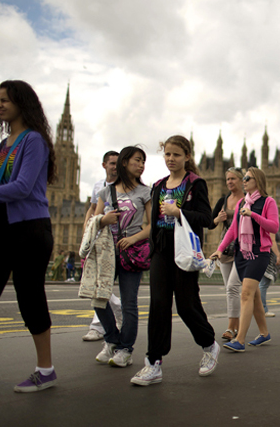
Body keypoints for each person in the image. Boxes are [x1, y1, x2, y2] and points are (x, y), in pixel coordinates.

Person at [131, 136, 218, 385]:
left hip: (184, 250)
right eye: (167, 154)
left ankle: (209, 345)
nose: (171, 159)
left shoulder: (195, 184)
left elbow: (206, 218)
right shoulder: (158, 186)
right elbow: (154, 221)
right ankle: (154, 362)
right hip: (161, 250)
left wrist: (179, 212)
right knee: (158, 304)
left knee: (186, 304)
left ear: (187, 157)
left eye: (176, 155)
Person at [0, 80, 57, 392]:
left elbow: (23, 187)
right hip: (0, 227)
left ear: (22, 103)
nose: (0, 104)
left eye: (6, 100)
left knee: (29, 298)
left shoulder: (34, 141)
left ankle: (45, 370)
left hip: (30, 228)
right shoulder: (3, 146)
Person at [92, 146, 152, 368]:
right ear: (124, 162)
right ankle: (111, 340)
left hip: (130, 252)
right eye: (137, 160)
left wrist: (134, 239)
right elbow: (94, 221)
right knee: (98, 298)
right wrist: (102, 220)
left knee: (129, 304)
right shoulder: (106, 193)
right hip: (107, 251)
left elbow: (152, 226)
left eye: (143, 162)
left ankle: (125, 349)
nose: (141, 165)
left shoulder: (145, 192)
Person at [212, 167, 278, 352]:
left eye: (247, 178)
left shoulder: (268, 202)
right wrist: (219, 249)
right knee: (254, 296)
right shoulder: (242, 202)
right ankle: (264, 333)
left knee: (246, 294)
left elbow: (274, 227)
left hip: (259, 253)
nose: (244, 181)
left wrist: (254, 215)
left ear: (257, 180)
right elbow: (233, 229)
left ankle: (239, 339)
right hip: (241, 253)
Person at [81, 150, 123, 342]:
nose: (115, 166)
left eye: (118, 163)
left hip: (119, 240)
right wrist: (87, 228)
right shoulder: (99, 186)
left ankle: (100, 327)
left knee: (103, 286)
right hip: (101, 240)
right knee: (100, 286)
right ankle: (106, 320)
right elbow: (92, 209)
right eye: (112, 163)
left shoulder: (126, 185)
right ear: (104, 165)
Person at [211, 167, 245, 341]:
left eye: (233, 179)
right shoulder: (223, 200)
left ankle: (231, 328)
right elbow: (210, 223)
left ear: (241, 180)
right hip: (225, 248)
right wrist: (218, 218)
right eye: (227, 179)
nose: (230, 182)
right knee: (230, 289)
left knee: (233, 287)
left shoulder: (248, 200)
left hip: (243, 248)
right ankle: (238, 326)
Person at [259, 234, 280, 317]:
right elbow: (272, 240)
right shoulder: (270, 223)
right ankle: (263, 309)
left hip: (258, 253)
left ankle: (256, 308)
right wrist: (278, 255)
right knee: (263, 284)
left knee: (259, 284)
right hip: (266, 255)